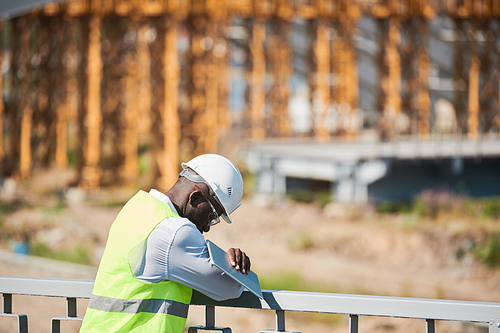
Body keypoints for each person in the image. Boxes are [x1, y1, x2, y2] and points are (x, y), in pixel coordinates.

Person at [80, 154, 251, 333]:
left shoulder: (135, 208)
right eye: (212, 216)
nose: (207, 227)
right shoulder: (176, 232)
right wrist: (233, 263)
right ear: (195, 198)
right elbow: (231, 288)